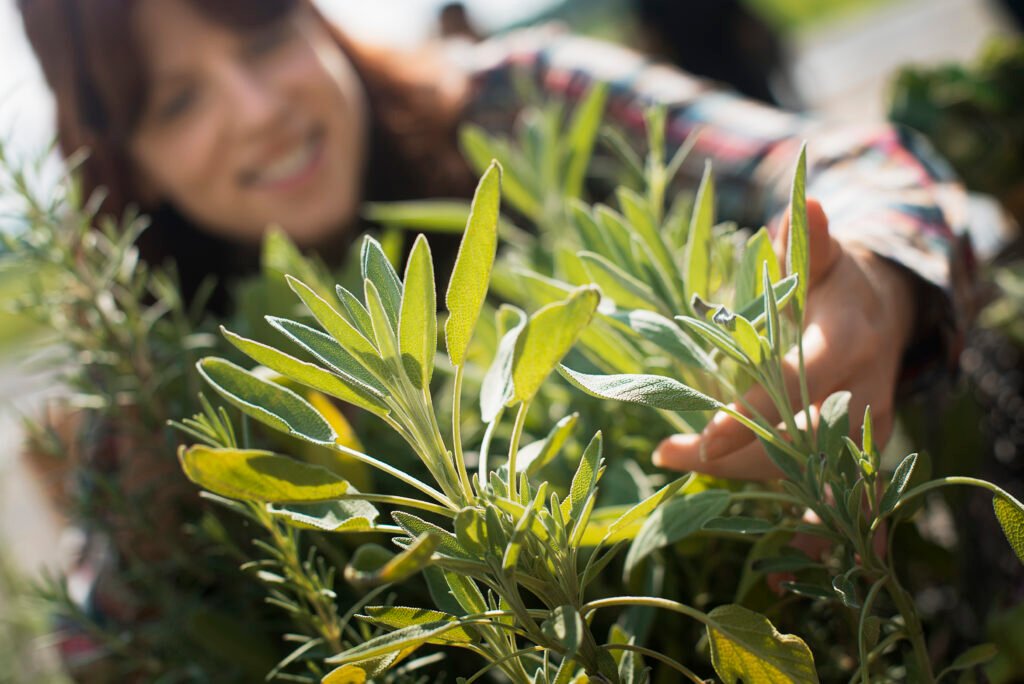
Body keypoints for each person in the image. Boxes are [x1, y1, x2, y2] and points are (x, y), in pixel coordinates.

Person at [17, 0, 974, 674]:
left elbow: (850, 164)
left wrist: (878, 280)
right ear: (124, 158)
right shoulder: (153, 354)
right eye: (176, 101)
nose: (256, 112)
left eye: (265, 37)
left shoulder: (517, 98)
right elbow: (103, 645)